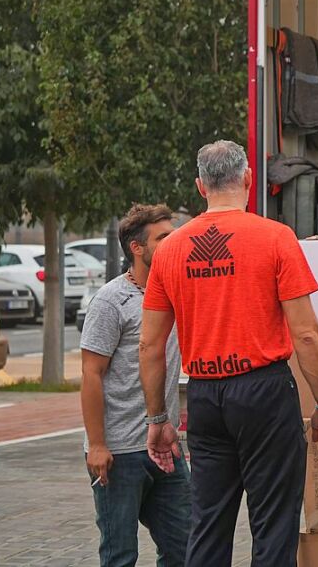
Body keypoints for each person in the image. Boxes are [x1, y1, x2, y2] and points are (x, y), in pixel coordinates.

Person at [138, 140, 318, 567]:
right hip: (265, 393)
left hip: (206, 397)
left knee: (208, 525)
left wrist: (159, 419)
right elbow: (306, 335)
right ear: (248, 179)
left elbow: (150, 345)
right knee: (273, 525)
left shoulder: (170, 250)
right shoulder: (275, 239)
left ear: (200, 187)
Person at [80, 204, 190, 567]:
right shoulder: (112, 301)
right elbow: (91, 374)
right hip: (119, 452)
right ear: (137, 248)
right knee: (120, 555)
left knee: (186, 549)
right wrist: (97, 445)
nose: (174, 241)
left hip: (164, 446)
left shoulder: (176, 292)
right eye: (164, 237)